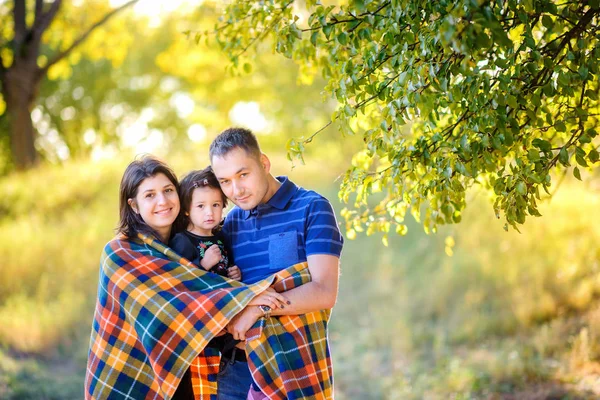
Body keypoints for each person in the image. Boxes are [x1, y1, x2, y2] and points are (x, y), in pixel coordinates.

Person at [84, 155, 288, 400]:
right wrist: (248, 298)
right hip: (138, 372)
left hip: (189, 373)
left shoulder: (185, 242)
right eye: (150, 195)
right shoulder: (121, 253)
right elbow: (176, 306)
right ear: (134, 205)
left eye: (168, 190)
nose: (162, 201)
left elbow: (197, 287)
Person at [210, 127, 344, 399]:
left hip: (289, 365)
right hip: (233, 370)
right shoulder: (231, 223)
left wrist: (257, 308)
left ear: (264, 163)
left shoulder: (312, 208)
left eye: (243, 174)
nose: (236, 190)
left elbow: (324, 292)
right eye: (224, 181)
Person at [170, 167, 242, 281]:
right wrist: (203, 264)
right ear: (186, 209)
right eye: (200, 206)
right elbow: (180, 280)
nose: (209, 213)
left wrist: (234, 273)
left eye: (215, 205)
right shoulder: (182, 241)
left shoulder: (222, 236)